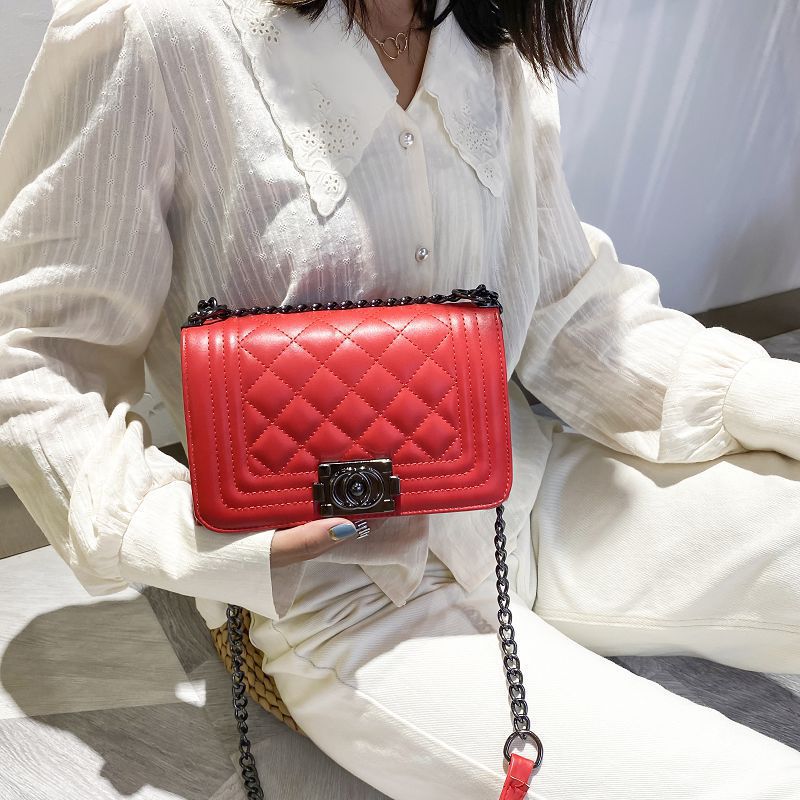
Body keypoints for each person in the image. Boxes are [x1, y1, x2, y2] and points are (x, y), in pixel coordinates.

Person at [1, 0, 798, 797]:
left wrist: (772, 400)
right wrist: (182, 532)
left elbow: (569, 304)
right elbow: (35, 356)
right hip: (339, 589)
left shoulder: (490, 32)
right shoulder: (160, 29)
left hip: (518, 491)